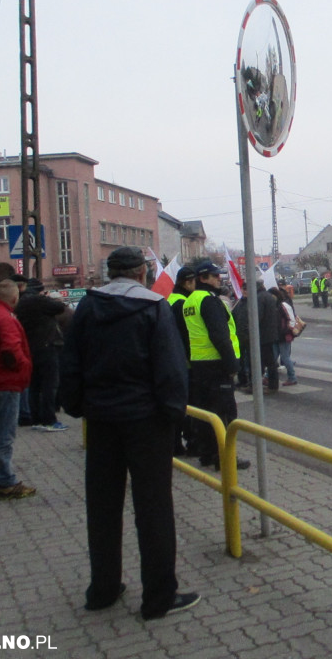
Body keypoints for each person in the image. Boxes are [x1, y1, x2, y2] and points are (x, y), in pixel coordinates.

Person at [57, 247, 199, 620]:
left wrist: (75, 406)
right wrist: (173, 416)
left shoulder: (88, 308)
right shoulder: (154, 308)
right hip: (147, 422)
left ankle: (102, 590)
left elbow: (70, 361)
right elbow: (171, 368)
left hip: (101, 421)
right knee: (153, 509)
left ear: (111, 272)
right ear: (141, 273)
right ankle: (158, 598)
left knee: (102, 507)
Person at [181, 261, 249, 473]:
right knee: (225, 414)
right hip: (217, 365)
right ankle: (225, 459)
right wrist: (232, 365)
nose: (219, 278)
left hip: (199, 365)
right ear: (203, 278)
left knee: (205, 414)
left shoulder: (190, 300)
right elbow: (220, 336)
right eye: (214, 276)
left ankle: (207, 454)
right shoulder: (210, 301)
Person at [0, 280, 36, 500]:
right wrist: (25, 368)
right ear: (14, 298)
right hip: (6, 382)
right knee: (5, 435)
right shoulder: (6, 318)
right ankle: (6, 481)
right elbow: (11, 350)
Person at [15, 278, 70, 432]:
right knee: (50, 385)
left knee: (34, 385)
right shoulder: (39, 301)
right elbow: (60, 306)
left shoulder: (22, 302)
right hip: (47, 347)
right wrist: (45, 297)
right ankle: (49, 419)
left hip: (30, 347)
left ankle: (36, 419)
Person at [167, 266, 198, 454]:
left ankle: (175, 444)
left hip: (172, 360)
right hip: (184, 362)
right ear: (187, 282)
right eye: (193, 282)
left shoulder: (170, 299)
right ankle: (187, 444)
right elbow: (186, 335)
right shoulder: (182, 303)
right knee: (188, 407)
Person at [271, 287, 298, 386]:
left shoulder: (283, 305)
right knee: (272, 357)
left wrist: (286, 331)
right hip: (277, 335)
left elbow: (292, 319)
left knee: (285, 357)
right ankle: (267, 376)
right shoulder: (277, 305)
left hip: (283, 336)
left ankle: (292, 377)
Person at [257, 283, 281, 392]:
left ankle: (271, 385)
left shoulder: (259, 298)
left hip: (263, 334)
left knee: (267, 361)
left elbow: (257, 316)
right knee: (269, 361)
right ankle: (272, 383)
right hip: (270, 333)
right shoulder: (268, 296)